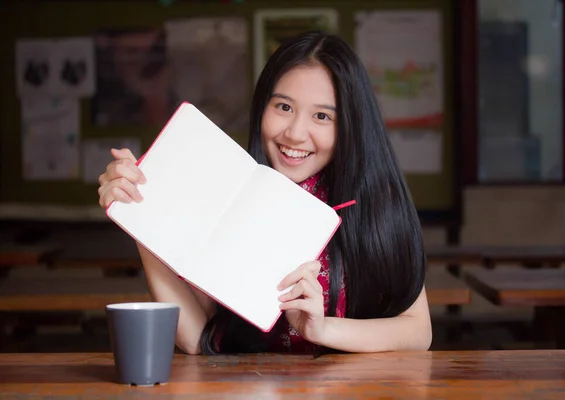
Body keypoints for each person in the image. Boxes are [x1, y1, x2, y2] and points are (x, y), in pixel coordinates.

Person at [98, 31, 431, 355]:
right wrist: (137, 214)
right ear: (262, 107)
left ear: (349, 124)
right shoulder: (224, 194)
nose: (296, 133)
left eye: (321, 116)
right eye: (283, 107)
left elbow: (418, 330)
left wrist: (321, 329)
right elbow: (196, 337)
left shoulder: (377, 201)